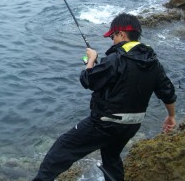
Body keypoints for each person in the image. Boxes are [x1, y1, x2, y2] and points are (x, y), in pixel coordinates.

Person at [32, 12, 177, 181]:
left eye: (113, 36)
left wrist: (91, 61)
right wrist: (171, 116)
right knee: (111, 157)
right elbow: (167, 92)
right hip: (132, 125)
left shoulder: (115, 59)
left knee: (61, 150)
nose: (112, 40)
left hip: (106, 124)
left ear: (121, 34)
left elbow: (89, 81)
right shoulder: (153, 61)